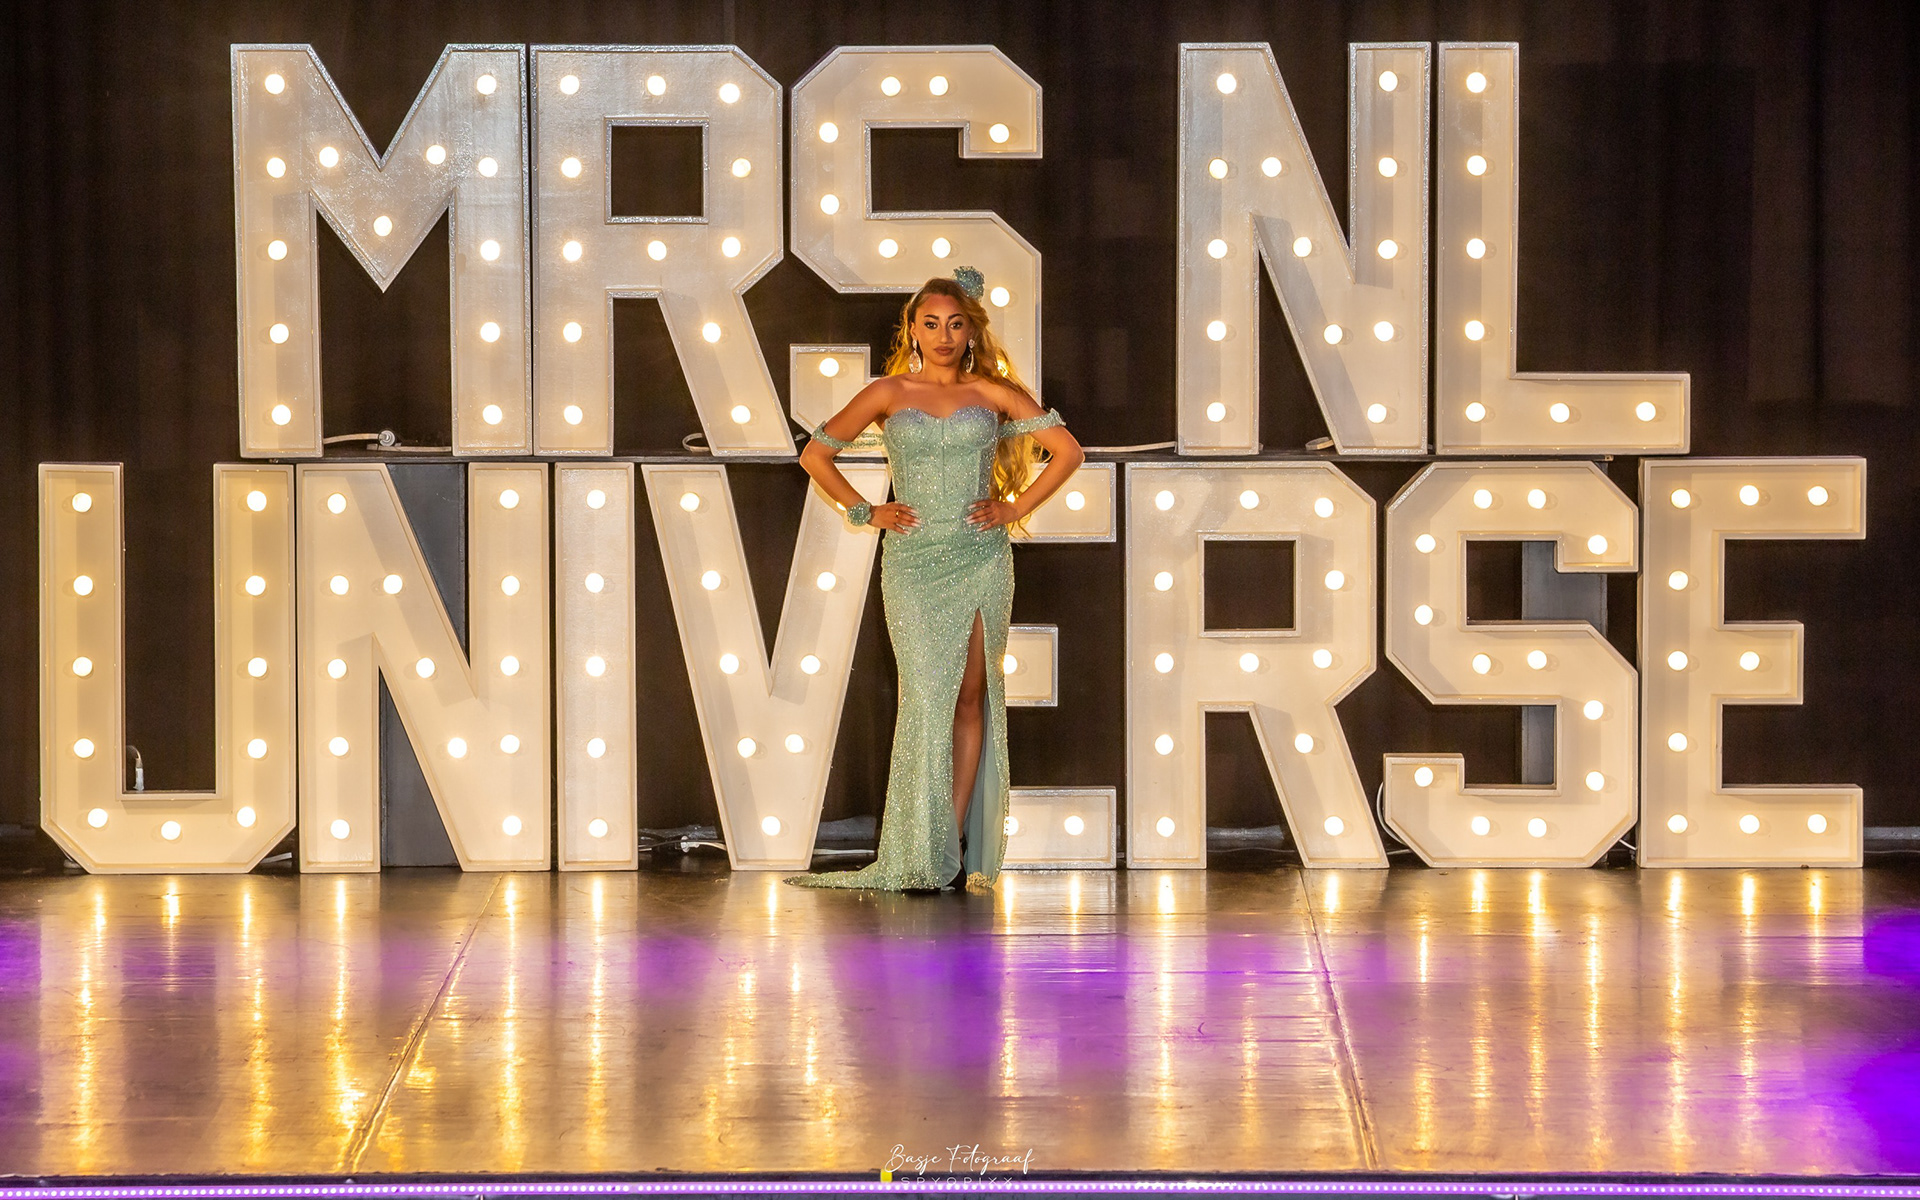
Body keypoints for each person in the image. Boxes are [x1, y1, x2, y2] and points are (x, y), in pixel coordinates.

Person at [783, 268, 1084, 893]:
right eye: (931, 324)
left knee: (971, 697)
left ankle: (951, 846)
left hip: (979, 557)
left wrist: (1013, 507)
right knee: (925, 698)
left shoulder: (993, 392)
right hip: (914, 563)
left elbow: (1068, 451)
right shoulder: (887, 391)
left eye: (955, 324)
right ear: (913, 330)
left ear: (971, 331)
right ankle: (917, 849)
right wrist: (866, 511)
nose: (943, 336)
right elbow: (815, 454)